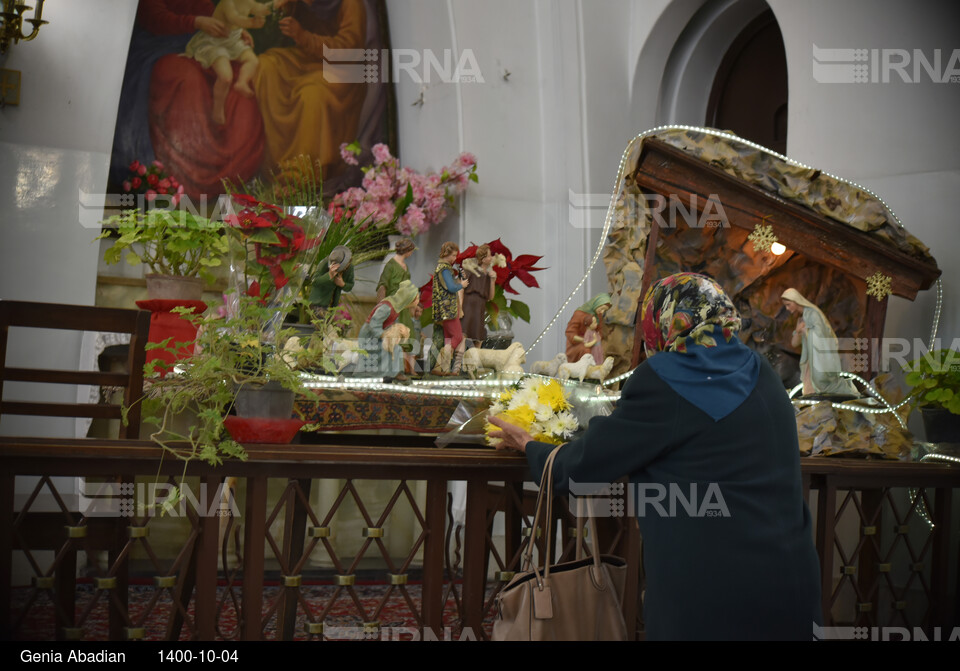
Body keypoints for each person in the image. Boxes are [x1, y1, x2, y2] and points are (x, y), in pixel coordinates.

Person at [489, 272, 822, 641]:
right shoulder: (763, 373)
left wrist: (530, 445)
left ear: (662, 322)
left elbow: (582, 468)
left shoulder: (667, 377)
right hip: (791, 584)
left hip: (714, 596)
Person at [255, 0, 367, 180]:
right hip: (305, 60)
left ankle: (303, 173)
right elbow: (260, 31)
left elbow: (349, 51)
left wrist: (304, 36)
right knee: (265, 66)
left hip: (342, 70)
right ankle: (272, 167)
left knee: (312, 94)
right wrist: (277, 8)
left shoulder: (350, 3)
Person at [182, 0, 273, 125]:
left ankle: (242, 82)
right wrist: (252, 22)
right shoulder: (227, 3)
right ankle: (217, 108)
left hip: (233, 41)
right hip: (214, 42)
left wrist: (278, 3)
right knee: (226, 77)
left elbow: (263, 9)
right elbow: (235, 19)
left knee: (253, 60)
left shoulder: (248, 2)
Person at [781, 288, 859, 397]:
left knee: (822, 381)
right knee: (809, 383)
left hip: (820, 356)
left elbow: (821, 335)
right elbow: (794, 343)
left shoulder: (813, 314)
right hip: (811, 357)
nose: (787, 308)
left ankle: (846, 389)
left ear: (795, 300)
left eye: (788, 304)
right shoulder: (802, 318)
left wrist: (804, 330)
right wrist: (798, 330)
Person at [356, 280, 420, 381]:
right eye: (416, 298)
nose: (417, 301)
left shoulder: (396, 307)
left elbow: (389, 324)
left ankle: (395, 373)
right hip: (370, 336)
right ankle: (385, 374)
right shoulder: (387, 307)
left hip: (380, 334)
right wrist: (384, 335)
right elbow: (373, 324)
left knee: (397, 348)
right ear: (408, 299)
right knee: (389, 348)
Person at [431, 242, 469, 376]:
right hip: (449, 309)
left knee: (448, 338)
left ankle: (445, 369)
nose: (454, 258)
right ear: (446, 254)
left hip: (444, 309)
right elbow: (452, 288)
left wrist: (459, 278)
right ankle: (439, 364)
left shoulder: (441, 267)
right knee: (457, 337)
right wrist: (462, 285)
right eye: (453, 255)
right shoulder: (445, 269)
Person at [460, 244, 497, 347]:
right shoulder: (470, 271)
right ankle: (458, 360)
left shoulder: (488, 275)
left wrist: (493, 281)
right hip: (468, 306)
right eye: (489, 256)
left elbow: (490, 297)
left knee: (478, 335)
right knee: (464, 332)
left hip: (480, 307)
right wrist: (460, 306)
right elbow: (461, 287)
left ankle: (475, 360)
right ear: (483, 258)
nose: (491, 258)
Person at [307, 246, 355, 319]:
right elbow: (314, 281)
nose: (344, 268)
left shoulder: (349, 268)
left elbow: (350, 286)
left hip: (332, 305)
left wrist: (342, 284)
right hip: (318, 303)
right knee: (320, 326)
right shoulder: (324, 263)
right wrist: (329, 275)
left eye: (345, 266)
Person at [565, 293, 611, 363]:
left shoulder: (598, 315)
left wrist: (598, 339)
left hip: (593, 341)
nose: (602, 312)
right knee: (586, 350)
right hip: (577, 344)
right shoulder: (579, 314)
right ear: (597, 304)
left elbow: (600, 330)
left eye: (604, 311)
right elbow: (570, 333)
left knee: (604, 349)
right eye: (602, 309)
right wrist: (585, 339)